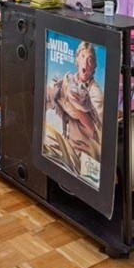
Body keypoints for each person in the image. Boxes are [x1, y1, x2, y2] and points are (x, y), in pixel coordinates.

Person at [44, 41, 103, 176]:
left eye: (90, 60)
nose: (85, 63)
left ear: (94, 67)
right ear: (77, 59)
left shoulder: (95, 92)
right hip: (67, 142)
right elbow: (50, 95)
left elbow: (93, 129)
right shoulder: (70, 80)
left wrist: (71, 102)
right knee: (44, 135)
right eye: (82, 57)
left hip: (85, 151)